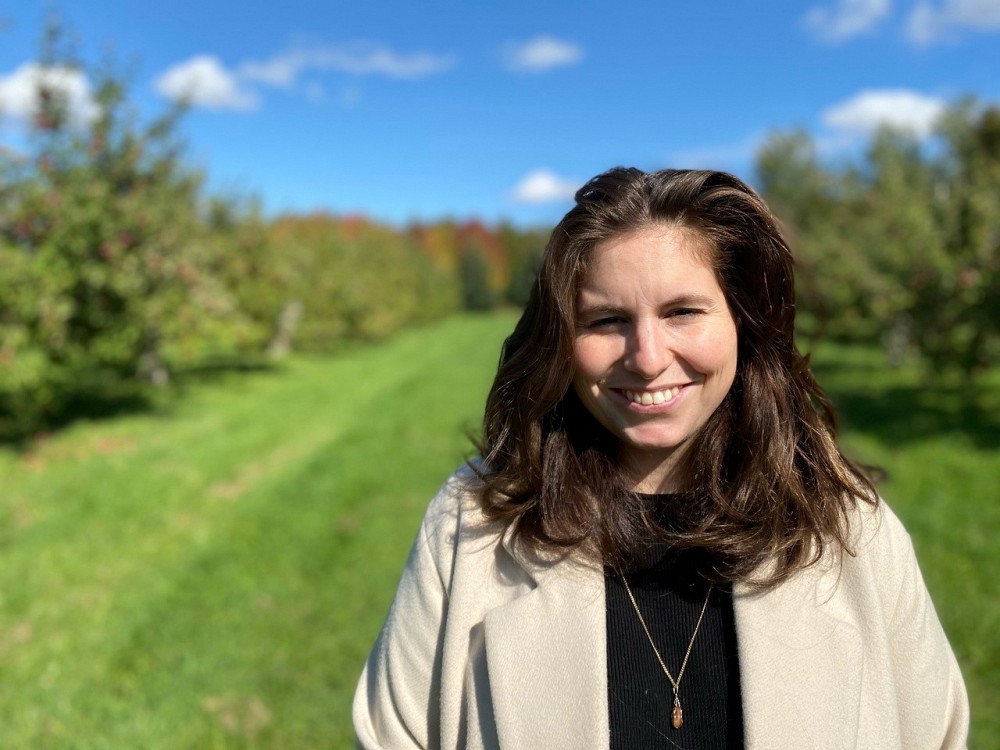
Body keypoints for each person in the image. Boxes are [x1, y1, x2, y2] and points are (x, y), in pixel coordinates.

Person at [353, 168, 969, 749]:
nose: (647, 357)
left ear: (742, 323)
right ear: (561, 340)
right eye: (607, 319)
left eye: (682, 312)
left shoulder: (849, 529)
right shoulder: (474, 525)